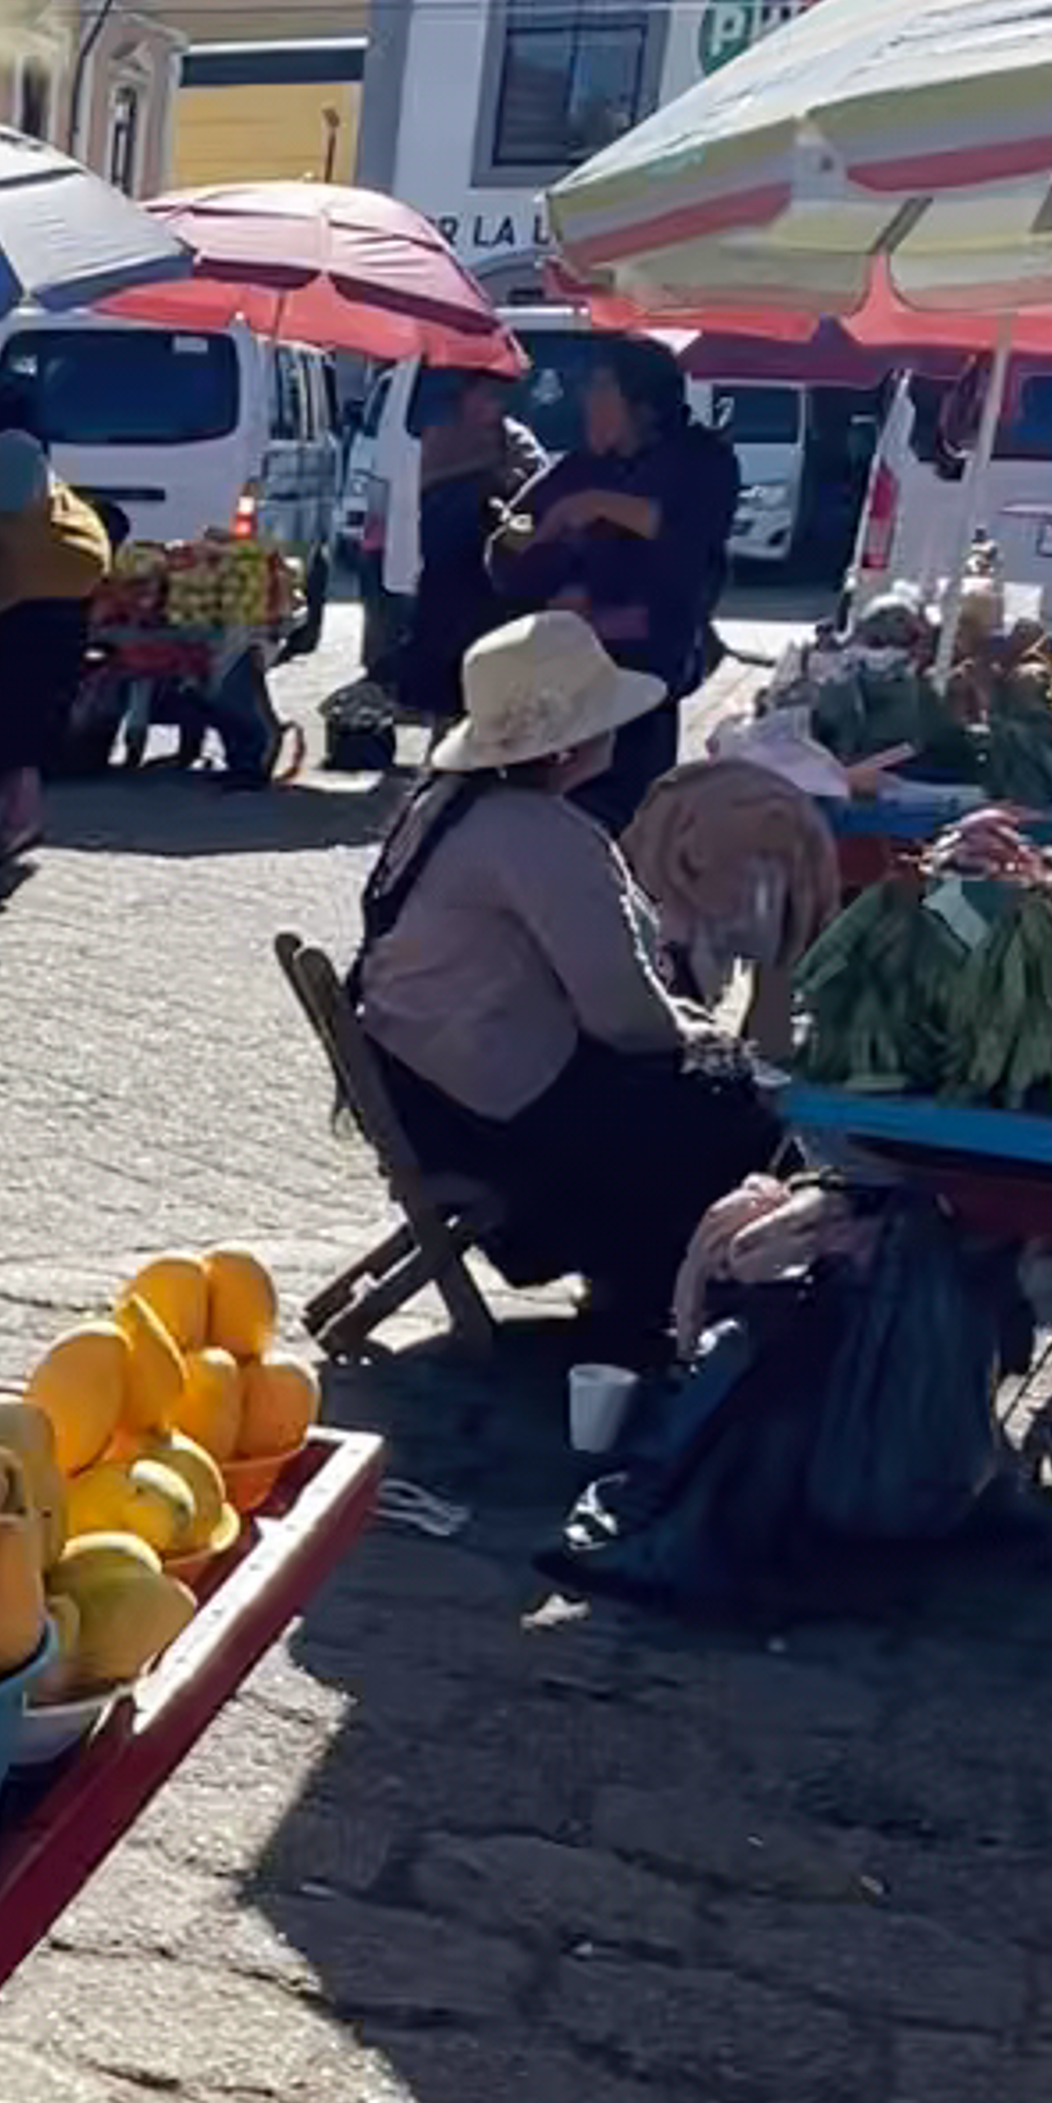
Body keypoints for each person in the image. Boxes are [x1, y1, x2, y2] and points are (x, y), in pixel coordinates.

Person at [348, 606, 785, 1358]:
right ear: (577, 739)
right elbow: (626, 1018)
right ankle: (648, 1305)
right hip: (482, 1113)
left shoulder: (442, 804)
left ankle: (634, 1285)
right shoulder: (536, 833)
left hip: (423, 1084)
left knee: (707, 1081)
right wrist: (703, 1034)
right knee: (737, 1106)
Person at [495, 332, 738, 828]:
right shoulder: (580, 467)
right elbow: (510, 542)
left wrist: (593, 505)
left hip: (648, 673)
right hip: (569, 680)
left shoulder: (701, 459)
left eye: (600, 386)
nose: (585, 397)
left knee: (631, 813)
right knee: (562, 814)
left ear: (643, 403)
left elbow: (684, 535)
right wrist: (531, 544)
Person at [0, 382, 111, 871]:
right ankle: (13, 817)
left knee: (13, 719)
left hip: (29, 613)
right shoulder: (41, 476)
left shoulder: (11, 460)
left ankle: (21, 820)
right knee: (20, 719)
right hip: (51, 611)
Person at [389, 362, 538, 725]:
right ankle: (442, 756)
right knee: (442, 670)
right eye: (485, 396)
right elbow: (419, 483)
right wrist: (475, 472)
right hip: (444, 571)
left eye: (499, 398)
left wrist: (505, 480)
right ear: (465, 396)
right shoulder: (440, 435)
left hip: (490, 577)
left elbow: (534, 483)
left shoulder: (513, 438)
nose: (493, 406)